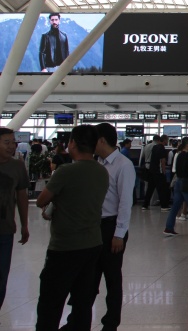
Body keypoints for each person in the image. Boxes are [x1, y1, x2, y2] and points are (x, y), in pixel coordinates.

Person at [35, 125, 109, 331]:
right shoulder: (102, 171)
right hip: (92, 243)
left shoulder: (65, 171)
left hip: (65, 246)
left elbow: (41, 200)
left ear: (73, 143)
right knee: (82, 302)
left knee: (51, 302)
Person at [62, 123, 135, 331]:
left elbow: (125, 202)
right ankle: (76, 322)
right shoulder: (96, 163)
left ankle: (110, 324)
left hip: (111, 228)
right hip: (92, 228)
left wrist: (119, 233)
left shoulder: (123, 165)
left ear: (101, 140)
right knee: (87, 279)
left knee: (112, 279)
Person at [0, 127, 29, 312]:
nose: (11, 146)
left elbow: (22, 196)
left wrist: (25, 224)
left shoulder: (17, 166)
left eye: (13, 142)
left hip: (5, 230)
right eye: (6, 142)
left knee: (2, 276)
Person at [142, 134, 170, 211]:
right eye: (167, 140)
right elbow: (162, 161)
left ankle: (145, 205)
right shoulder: (162, 148)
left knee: (150, 189)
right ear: (164, 140)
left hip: (151, 170)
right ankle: (164, 206)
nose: (167, 142)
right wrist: (164, 171)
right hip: (158, 171)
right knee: (161, 189)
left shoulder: (154, 147)